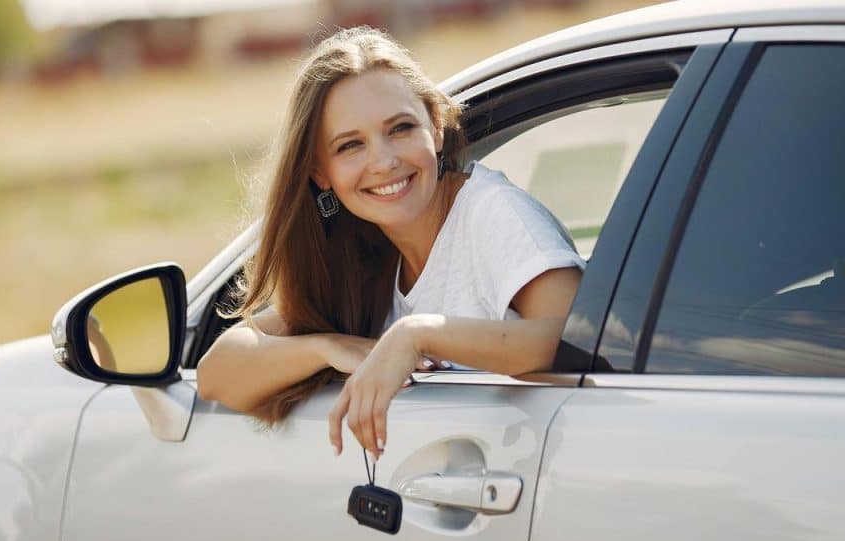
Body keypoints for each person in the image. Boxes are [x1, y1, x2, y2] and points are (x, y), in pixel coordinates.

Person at [197, 27, 584, 463]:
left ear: (435, 127)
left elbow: (582, 342)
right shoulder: (361, 254)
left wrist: (416, 336)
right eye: (350, 146)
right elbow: (216, 373)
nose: (383, 161)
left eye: (400, 129)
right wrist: (330, 347)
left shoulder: (493, 213)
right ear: (320, 172)